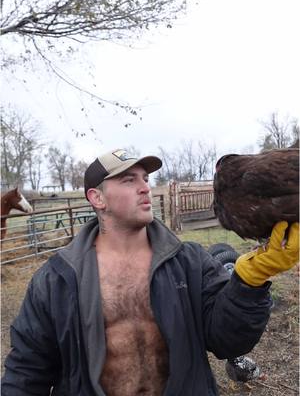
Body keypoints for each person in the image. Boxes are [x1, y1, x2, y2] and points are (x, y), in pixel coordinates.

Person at [2, 148, 299, 396]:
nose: (144, 186)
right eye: (129, 180)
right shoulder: (57, 280)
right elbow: (27, 371)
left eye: (145, 178)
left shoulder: (190, 263)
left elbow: (229, 341)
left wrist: (248, 282)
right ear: (97, 198)